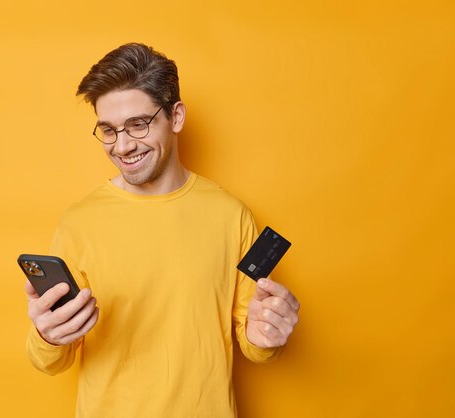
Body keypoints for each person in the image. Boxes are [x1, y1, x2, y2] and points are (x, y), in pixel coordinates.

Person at [25, 43, 300, 417]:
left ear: (177, 117)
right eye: (108, 130)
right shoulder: (79, 223)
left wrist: (268, 335)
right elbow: (51, 362)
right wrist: (47, 336)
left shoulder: (231, 216)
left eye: (138, 124)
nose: (122, 146)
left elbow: (254, 341)